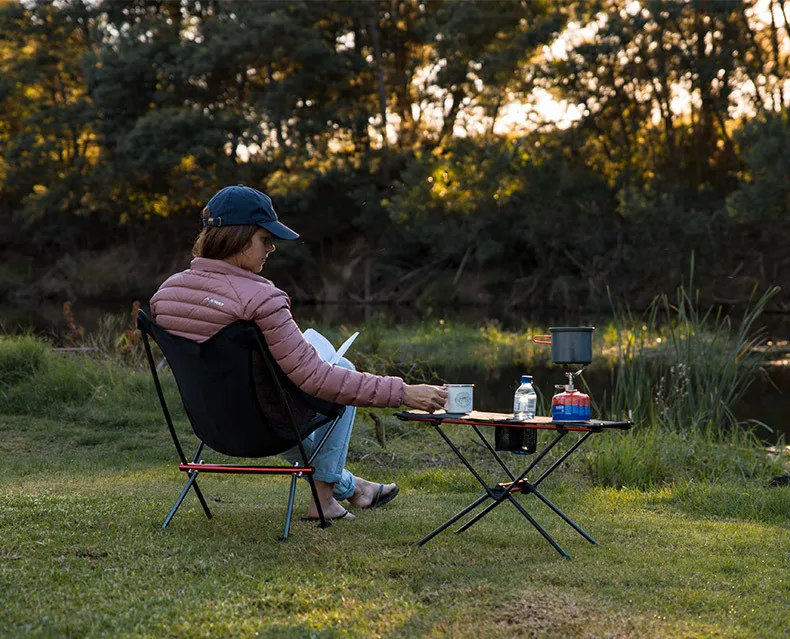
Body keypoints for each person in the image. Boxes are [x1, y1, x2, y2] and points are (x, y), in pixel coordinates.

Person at [150, 185, 447, 522]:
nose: (272, 248)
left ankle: (353, 488)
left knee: (298, 390)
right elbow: (318, 378)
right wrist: (404, 392)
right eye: (265, 238)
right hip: (263, 430)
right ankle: (323, 501)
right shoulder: (262, 299)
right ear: (239, 238)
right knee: (340, 370)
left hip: (209, 426)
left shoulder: (166, 294)